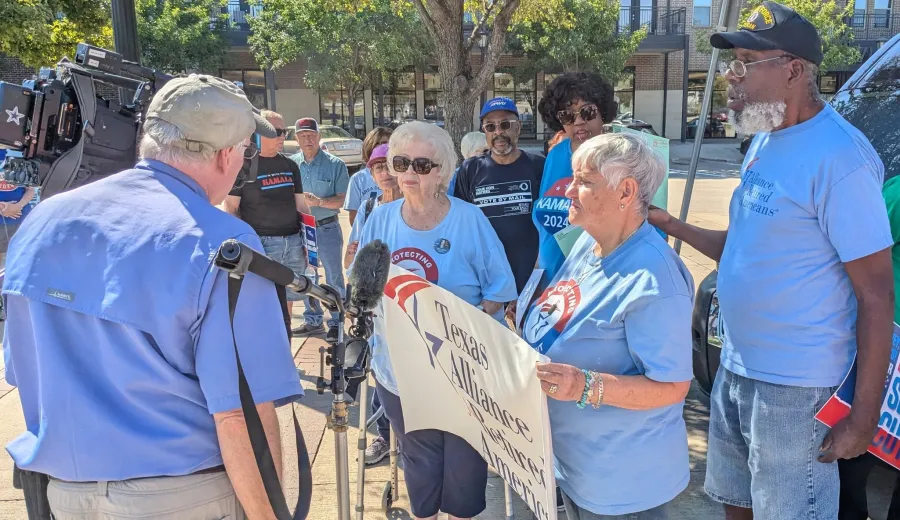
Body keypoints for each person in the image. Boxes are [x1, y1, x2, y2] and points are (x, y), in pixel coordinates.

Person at [2, 74, 303, 519]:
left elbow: (20, 370)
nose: (244, 165)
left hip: (62, 496)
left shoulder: (45, 218)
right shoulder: (223, 241)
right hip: (180, 499)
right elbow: (242, 415)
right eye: (246, 151)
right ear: (224, 155)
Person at [650, 3, 895, 518]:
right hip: (735, 370)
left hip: (797, 390)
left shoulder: (840, 159)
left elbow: (875, 296)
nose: (731, 78)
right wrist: (672, 225)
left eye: (744, 63)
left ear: (792, 70)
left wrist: (864, 418)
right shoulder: (765, 140)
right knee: (733, 504)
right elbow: (742, 247)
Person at [351, 121, 517, 520]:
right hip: (400, 372)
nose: (409, 173)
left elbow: (501, 289)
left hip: (460, 370)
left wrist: (461, 324)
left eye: (422, 165)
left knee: (463, 465)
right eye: (402, 162)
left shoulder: (469, 220)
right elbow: (362, 286)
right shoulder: (381, 218)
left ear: (442, 171)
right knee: (420, 464)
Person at [524, 133, 693, 520]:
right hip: (576, 468)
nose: (567, 190)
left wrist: (583, 385)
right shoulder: (588, 242)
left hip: (623, 486)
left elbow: (671, 386)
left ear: (626, 192)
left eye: (584, 182)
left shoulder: (654, 279)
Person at [837, 174, 900, 520]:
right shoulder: (896, 194)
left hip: (886, 352)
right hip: (887, 347)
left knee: (854, 461)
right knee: (856, 459)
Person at [223, 109, 311, 332]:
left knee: (288, 303)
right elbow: (231, 208)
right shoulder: (243, 168)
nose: (282, 136)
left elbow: (301, 205)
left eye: (285, 131)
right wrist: (246, 243)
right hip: (262, 245)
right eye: (277, 131)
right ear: (258, 133)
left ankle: (285, 357)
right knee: (261, 303)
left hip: (292, 243)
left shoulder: (291, 166)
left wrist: (311, 244)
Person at [343, 143, 403, 465]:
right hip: (377, 304)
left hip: (407, 303)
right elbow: (351, 258)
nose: (385, 173)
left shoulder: (413, 206)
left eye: (389, 166)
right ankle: (384, 436)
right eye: (378, 168)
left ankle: (411, 437)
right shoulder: (369, 207)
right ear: (371, 173)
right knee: (379, 368)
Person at [453, 97, 545, 293]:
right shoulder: (470, 169)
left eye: (505, 124)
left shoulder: (539, 166)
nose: (498, 132)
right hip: (486, 280)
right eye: (490, 127)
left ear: (518, 128)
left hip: (530, 278)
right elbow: (460, 225)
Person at [534, 72, 618, 280]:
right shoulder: (555, 155)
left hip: (594, 283)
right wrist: (535, 280)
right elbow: (544, 227)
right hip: (550, 282)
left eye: (587, 112)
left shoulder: (620, 158)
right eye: (567, 116)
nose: (578, 122)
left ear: (602, 112)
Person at [289, 117, 350, 340]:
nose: (308, 139)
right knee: (306, 276)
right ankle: (312, 320)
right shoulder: (291, 164)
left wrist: (319, 202)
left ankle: (337, 322)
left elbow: (341, 201)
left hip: (326, 228)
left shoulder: (336, 165)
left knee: (333, 276)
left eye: (311, 135)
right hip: (301, 230)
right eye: (303, 136)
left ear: (319, 137)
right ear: (296, 139)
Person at [344, 127, 392, 225]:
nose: (380, 147)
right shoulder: (358, 179)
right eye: (376, 144)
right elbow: (354, 219)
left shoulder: (400, 175)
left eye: (384, 143)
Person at [0, 149, 36, 268]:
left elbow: (31, 190)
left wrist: (18, 205)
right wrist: (3, 207)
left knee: (19, 263)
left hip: (21, 222)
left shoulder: (23, 151)